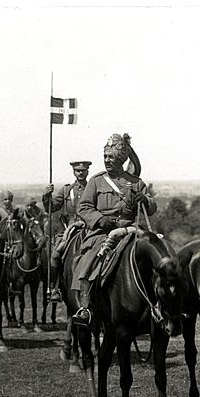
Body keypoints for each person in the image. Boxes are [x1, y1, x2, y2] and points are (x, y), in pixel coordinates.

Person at [71, 133, 156, 326]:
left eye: (111, 157)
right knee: (90, 259)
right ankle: (85, 306)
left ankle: (161, 303)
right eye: (106, 157)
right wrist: (100, 220)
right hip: (102, 232)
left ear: (121, 159)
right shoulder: (96, 181)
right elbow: (83, 207)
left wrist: (146, 200)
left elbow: (151, 207)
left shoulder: (135, 182)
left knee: (156, 253)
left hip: (131, 229)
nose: (107, 161)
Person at [41, 160, 92, 303]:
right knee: (55, 256)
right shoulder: (66, 190)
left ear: (87, 171)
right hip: (71, 229)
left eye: (83, 170)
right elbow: (51, 207)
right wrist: (47, 196)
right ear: (74, 172)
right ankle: (55, 288)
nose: (80, 173)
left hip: (90, 227)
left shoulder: (92, 188)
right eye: (78, 171)